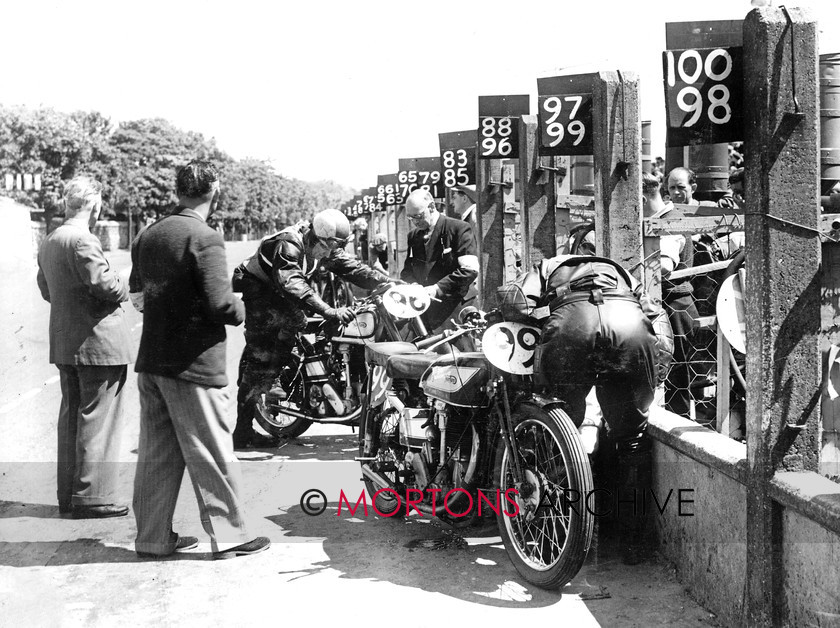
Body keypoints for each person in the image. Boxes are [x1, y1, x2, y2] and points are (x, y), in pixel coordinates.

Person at [130, 160, 269, 559]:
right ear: (215, 189)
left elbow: (137, 294)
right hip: (193, 364)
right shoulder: (205, 237)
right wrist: (242, 308)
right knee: (211, 449)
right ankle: (230, 536)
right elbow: (220, 304)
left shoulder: (149, 234)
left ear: (178, 190)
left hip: (152, 361)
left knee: (157, 455)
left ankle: (153, 539)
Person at [528, 253, 669, 564]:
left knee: (557, 435)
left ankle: (555, 545)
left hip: (572, 324)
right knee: (631, 439)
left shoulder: (548, 265)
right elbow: (653, 312)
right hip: (628, 323)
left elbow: (517, 303)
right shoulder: (618, 268)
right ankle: (633, 545)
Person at [232, 209, 389, 449]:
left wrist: (386, 282)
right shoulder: (288, 244)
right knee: (266, 352)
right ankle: (244, 430)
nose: (328, 254)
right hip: (259, 288)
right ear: (316, 237)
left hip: (280, 289)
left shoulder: (323, 247)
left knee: (306, 321)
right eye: (327, 248)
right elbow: (292, 282)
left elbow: (352, 268)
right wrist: (328, 310)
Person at [36, 175, 133, 519]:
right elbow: (108, 287)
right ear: (94, 204)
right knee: (98, 421)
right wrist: (124, 276)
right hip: (98, 345)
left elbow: (46, 290)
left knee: (71, 419)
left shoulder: (50, 240)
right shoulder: (83, 241)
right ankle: (93, 497)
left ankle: (69, 494)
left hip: (66, 344)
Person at [644, 172, 699, 419]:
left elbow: (664, 266)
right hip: (663, 302)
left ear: (643, 197)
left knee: (678, 370)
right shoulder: (656, 217)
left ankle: (682, 422)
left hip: (676, 304)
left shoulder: (670, 220)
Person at [400, 188, 479, 331]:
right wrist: (413, 285)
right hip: (425, 312)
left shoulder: (458, 229)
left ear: (431, 207)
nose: (414, 222)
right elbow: (407, 271)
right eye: (410, 218)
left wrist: (437, 289)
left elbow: (469, 270)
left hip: (456, 309)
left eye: (418, 216)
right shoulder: (413, 236)